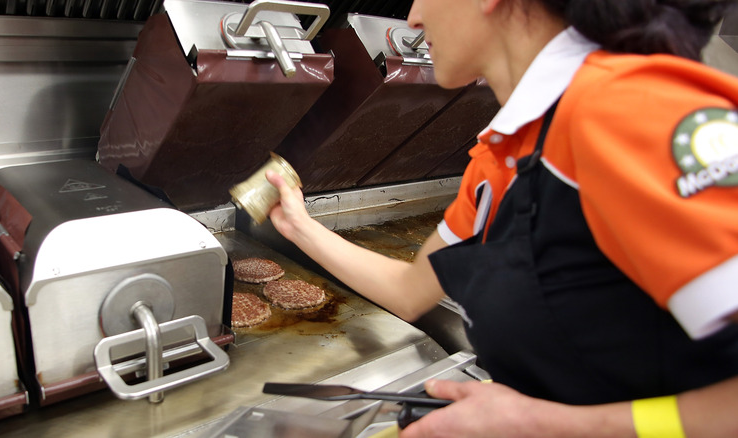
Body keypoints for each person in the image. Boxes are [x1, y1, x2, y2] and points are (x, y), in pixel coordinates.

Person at [265, 0, 738, 435]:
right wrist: (298, 226)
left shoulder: (629, 110)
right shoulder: (502, 155)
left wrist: (543, 423)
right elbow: (410, 292)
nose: (412, 16)